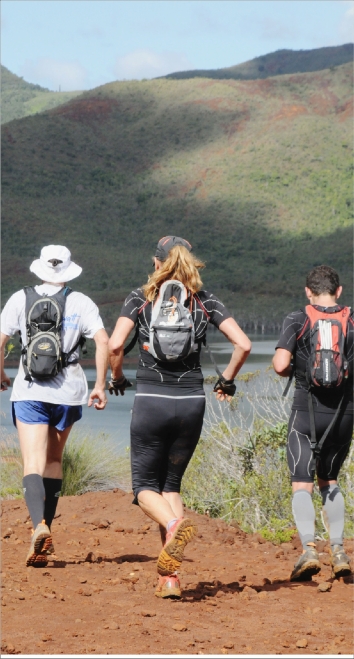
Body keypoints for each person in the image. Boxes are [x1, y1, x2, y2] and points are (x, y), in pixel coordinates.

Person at [108, 235, 251, 598]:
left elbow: (114, 345)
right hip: (191, 402)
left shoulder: (141, 297)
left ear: (156, 264)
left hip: (151, 401)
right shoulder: (204, 300)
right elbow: (244, 345)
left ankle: (173, 525)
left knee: (144, 488)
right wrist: (226, 381)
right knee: (170, 485)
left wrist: (117, 377)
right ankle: (169, 578)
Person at [0, 245, 109, 567]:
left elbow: (1, 338)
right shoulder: (81, 302)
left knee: (32, 462)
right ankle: (47, 527)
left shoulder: (20, 298)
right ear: (69, 270)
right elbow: (104, 341)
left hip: (30, 389)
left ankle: (39, 526)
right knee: (53, 460)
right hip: (68, 392)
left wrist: (1, 373)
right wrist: (100, 385)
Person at [273, 265, 353, 581]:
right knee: (329, 481)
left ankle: (308, 549)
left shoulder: (298, 319)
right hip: (342, 416)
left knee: (302, 484)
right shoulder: (352, 320)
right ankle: (339, 551)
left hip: (305, 413)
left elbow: (280, 364)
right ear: (339, 291)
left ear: (308, 291)